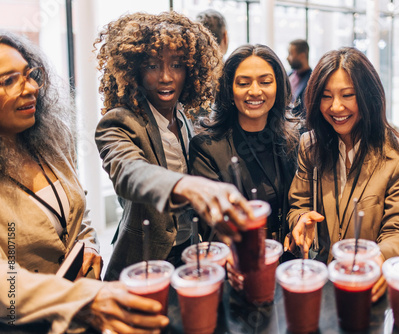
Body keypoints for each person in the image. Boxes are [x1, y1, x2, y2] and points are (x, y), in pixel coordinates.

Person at [0, 31, 168, 334]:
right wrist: (81, 298)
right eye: (9, 81)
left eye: (30, 74)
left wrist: (88, 245)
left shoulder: (48, 141)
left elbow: (78, 212)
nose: (31, 88)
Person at [94, 12, 251, 281]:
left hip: (189, 252)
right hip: (145, 262)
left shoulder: (185, 118)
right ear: (135, 71)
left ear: (190, 69)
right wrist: (184, 186)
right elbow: (129, 171)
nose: (166, 77)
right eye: (153, 66)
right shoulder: (119, 122)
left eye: (177, 65)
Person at [288, 47, 399, 302]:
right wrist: (300, 219)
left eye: (348, 95)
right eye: (326, 96)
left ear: (368, 97)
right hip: (322, 284)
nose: (336, 107)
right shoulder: (310, 145)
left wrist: (377, 258)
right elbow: (299, 203)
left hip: (369, 285)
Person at [189, 44, 300, 242]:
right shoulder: (207, 148)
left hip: (287, 260)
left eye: (265, 82)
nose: (255, 91)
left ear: (278, 87)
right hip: (238, 259)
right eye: (243, 83)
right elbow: (211, 225)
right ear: (230, 90)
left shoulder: (292, 139)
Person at [287, 39, 312, 119]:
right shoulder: (288, 75)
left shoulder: (312, 81)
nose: (287, 58)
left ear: (302, 56)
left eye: (290, 54)